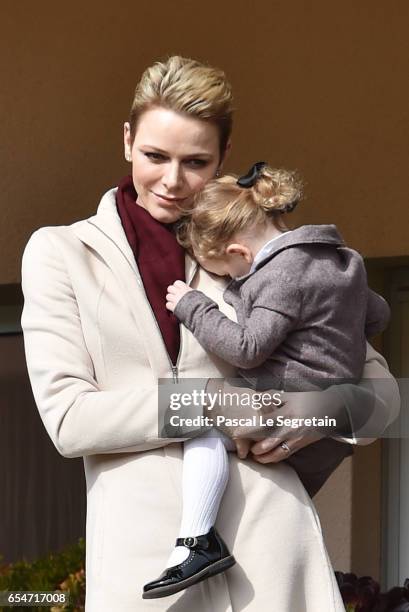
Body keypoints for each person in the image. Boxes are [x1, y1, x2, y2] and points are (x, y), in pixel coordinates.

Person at [20, 56, 399, 612]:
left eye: (195, 162)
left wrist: (310, 417)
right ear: (127, 141)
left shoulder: (264, 255)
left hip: (275, 562)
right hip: (144, 572)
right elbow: (69, 420)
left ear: (224, 156)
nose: (172, 182)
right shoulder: (61, 253)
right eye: (154, 156)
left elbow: (385, 403)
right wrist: (212, 404)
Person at [162, 162, 390, 597]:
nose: (231, 283)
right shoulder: (344, 260)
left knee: (197, 427)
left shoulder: (277, 277)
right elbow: (378, 314)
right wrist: (331, 334)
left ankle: (196, 541)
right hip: (326, 432)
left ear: (240, 254)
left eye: (227, 274)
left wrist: (194, 306)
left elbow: (248, 349)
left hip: (281, 402)